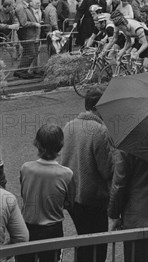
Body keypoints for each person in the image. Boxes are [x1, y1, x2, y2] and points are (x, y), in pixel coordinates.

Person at [60, 86, 113, 262]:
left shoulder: (69, 126)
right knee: (98, 242)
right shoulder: (99, 130)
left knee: (83, 239)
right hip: (93, 198)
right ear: (97, 108)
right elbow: (107, 170)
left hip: (72, 195)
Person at [19, 124, 74, 262]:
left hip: (27, 226)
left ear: (37, 143)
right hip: (52, 230)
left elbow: (24, 193)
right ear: (60, 145)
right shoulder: (67, 174)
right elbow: (69, 202)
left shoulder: (25, 168)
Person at [14, 0, 41, 79]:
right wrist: (35, 24)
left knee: (29, 53)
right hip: (26, 34)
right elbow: (23, 22)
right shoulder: (21, 7)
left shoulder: (26, 6)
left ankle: (22, 71)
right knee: (30, 53)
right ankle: (21, 71)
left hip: (30, 33)